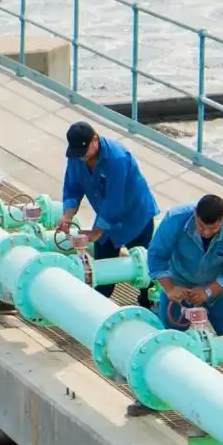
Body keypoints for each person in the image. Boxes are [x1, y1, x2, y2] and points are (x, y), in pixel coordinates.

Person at [145, 194, 223, 410]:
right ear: (195, 214)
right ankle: (159, 392)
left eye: (213, 228)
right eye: (201, 226)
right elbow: (156, 255)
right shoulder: (175, 219)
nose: (206, 232)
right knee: (170, 341)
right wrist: (170, 288)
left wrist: (208, 291)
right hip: (180, 286)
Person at [59, 121, 158, 309]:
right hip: (106, 219)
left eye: (84, 152)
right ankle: (94, 310)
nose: (81, 158)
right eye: (77, 154)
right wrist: (67, 216)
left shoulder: (117, 158)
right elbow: (72, 186)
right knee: (101, 272)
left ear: (95, 140)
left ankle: (149, 305)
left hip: (135, 216)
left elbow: (115, 199)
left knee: (146, 270)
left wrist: (97, 231)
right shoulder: (77, 157)